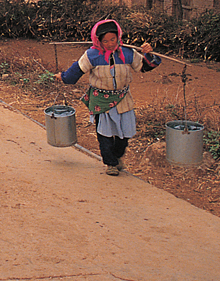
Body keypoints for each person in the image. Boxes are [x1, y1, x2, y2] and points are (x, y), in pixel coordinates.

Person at [55, 19, 161, 176]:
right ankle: (110, 163)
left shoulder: (127, 53)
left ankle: (117, 156)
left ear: (119, 37)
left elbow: (144, 66)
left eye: (113, 39)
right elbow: (77, 70)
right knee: (104, 133)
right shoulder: (92, 55)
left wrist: (148, 54)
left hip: (123, 98)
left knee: (124, 133)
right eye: (105, 41)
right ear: (98, 41)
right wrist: (63, 77)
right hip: (101, 99)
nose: (110, 43)